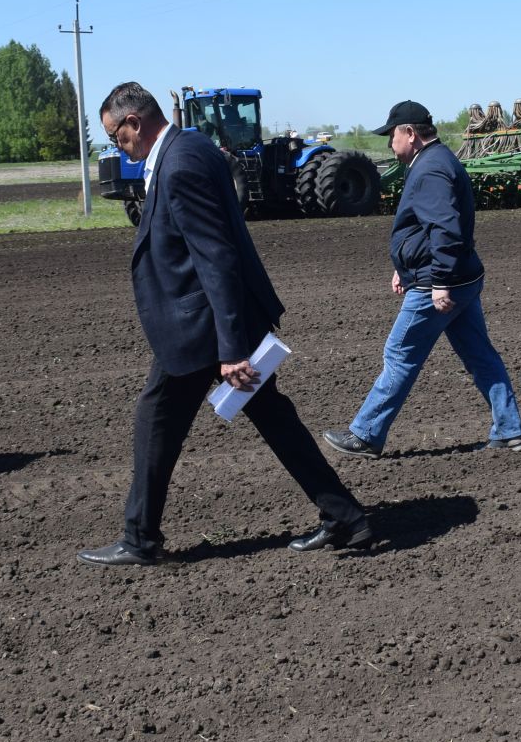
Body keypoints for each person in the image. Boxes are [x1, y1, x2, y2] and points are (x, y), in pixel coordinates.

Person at [80, 81, 373, 566]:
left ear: (133, 122)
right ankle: (345, 516)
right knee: (272, 417)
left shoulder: (179, 164)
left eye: (117, 137)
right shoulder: (192, 145)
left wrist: (232, 348)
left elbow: (215, 256)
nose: (118, 146)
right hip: (216, 322)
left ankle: (139, 540)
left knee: (154, 420)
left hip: (204, 328)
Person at [323, 100, 521, 459]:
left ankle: (367, 434)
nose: (389, 143)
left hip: (442, 282)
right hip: (461, 277)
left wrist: (438, 282)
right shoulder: (438, 160)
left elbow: (445, 230)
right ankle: (509, 430)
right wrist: (405, 268)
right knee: (480, 355)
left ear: (410, 133)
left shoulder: (430, 169)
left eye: (391, 135)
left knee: (399, 353)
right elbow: (426, 229)